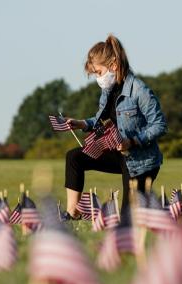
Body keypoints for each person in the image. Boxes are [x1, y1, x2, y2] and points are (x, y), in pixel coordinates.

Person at [63, 34, 167, 219]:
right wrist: (81, 124)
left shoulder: (139, 90)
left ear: (114, 66)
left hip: (141, 162)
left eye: (98, 72)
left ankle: (174, 213)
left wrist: (133, 141)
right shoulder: (108, 90)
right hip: (118, 154)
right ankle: (72, 213)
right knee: (74, 157)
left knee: (129, 217)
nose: (97, 78)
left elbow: (159, 125)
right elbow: (100, 119)